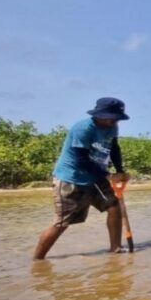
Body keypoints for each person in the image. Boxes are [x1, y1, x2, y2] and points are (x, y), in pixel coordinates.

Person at [34, 97, 130, 260]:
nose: (115, 122)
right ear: (100, 115)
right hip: (72, 178)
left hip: (96, 176)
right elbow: (81, 160)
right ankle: (37, 260)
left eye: (116, 118)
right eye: (112, 118)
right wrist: (108, 175)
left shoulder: (112, 127)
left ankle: (116, 247)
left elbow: (114, 148)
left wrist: (120, 171)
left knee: (114, 206)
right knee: (62, 223)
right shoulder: (83, 129)